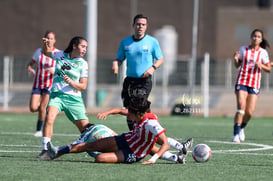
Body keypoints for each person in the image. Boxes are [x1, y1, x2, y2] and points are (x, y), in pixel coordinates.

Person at [44, 97, 191, 164]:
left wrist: (153, 159)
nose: (129, 115)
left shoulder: (151, 123)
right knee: (90, 144)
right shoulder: (138, 113)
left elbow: (164, 143)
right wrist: (107, 112)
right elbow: (121, 111)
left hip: (133, 153)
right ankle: (57, 151)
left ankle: (178, 153)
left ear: (139, 114)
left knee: (99, 159)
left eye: (131, 114)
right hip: (124, 139)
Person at [38, 36, 90, 158]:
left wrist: (71, 82)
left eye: (86, 48)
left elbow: (83, 86)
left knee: (86, 129)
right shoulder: (59, 54)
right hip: (57, 96)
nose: (85, 50)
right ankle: (45, 150)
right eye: (83, 46)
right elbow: (46, 52)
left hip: (74, 99)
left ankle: (95, 148)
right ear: (74, 46)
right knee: (49, 117)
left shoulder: (83, 64)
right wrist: (46, 44)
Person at [111, 14, 164, 130]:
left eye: (143, 24)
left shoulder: (152, 41)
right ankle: (135, 133)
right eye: (138, 24)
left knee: (139, 106)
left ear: (146, 26)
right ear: (133, 25)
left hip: (144, 81)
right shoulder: (125, 42)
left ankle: (155, 130)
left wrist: (153, 68)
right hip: (129, 81)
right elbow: (119, 58)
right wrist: (115, 64)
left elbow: (160, 59)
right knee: (130, 110)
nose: (140, 26)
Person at [232, 29, 271, 143]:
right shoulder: (244, 49)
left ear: (261, 39)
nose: (256, 38)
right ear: (251, 37)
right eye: (254, 36)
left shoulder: (263, 53)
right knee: (241, 107)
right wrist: (235, 60)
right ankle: (235, 134)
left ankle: (241, 128)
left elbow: (268, 69)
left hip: (254, 84)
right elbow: (237, 65)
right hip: (242, 81)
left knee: (249, 112)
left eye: (258, 37)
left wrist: (261, 66)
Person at [27, 31, 59, 137]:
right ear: (44, 39)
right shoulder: (38, 52)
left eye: (51, 38)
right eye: (47, 38)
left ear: (54, 40)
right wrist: (30, 68)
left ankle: (38, 130)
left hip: (49, 84)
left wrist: (54, 70)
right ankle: (42, 109)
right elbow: (31, 63)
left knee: (42, 108)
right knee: (32, 108)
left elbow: (61, 68)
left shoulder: (57, 53)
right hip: (37, 83)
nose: (49, 40)